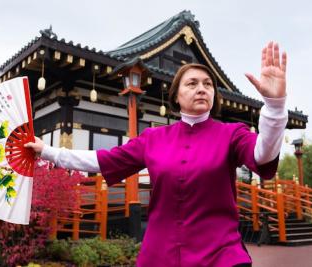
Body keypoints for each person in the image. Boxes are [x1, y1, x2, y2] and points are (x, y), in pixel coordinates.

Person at [25, 41, 288, 267]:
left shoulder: (231, 133)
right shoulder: (153, 139)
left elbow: (262, 155)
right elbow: (103, 160)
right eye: (192, 83)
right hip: (161, 253)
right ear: (175, 97)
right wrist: (48, 151)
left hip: (220, 253)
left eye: (208, 84)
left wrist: (274, 107)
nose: (202, 88)